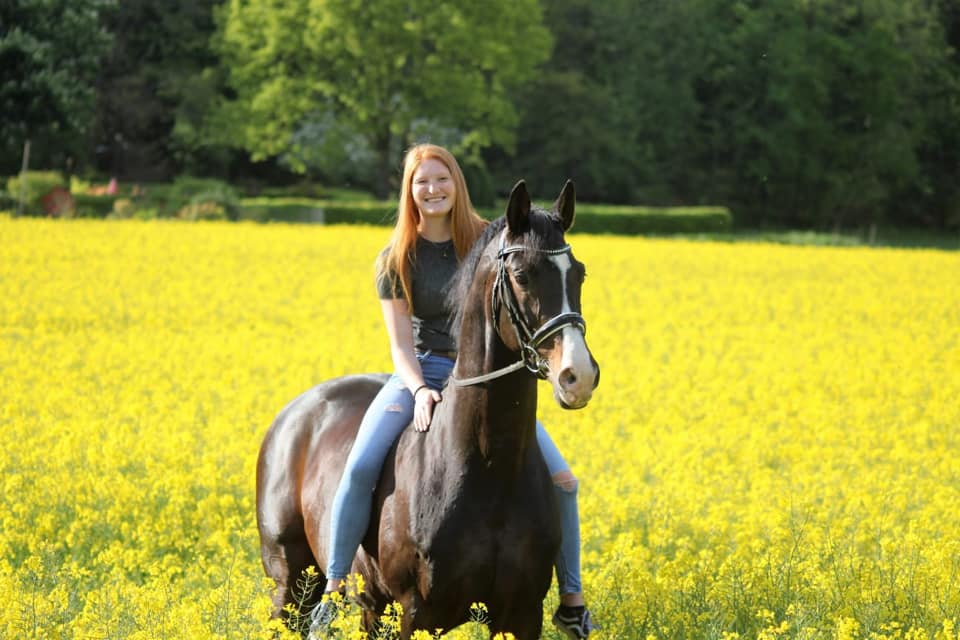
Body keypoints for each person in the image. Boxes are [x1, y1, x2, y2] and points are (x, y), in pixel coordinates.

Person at [309, 144, 597, 639]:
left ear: (456, 184)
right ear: (410, 191)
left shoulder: (490, 239)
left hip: (481, 377)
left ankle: (571, 601)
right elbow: (400, 345)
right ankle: (333, 591)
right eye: (423, 182)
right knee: (358, 467)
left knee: (564, 481)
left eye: (442, 179)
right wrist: (420, 389)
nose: (433, 189)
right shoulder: (395, 257)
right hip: (418, 373)